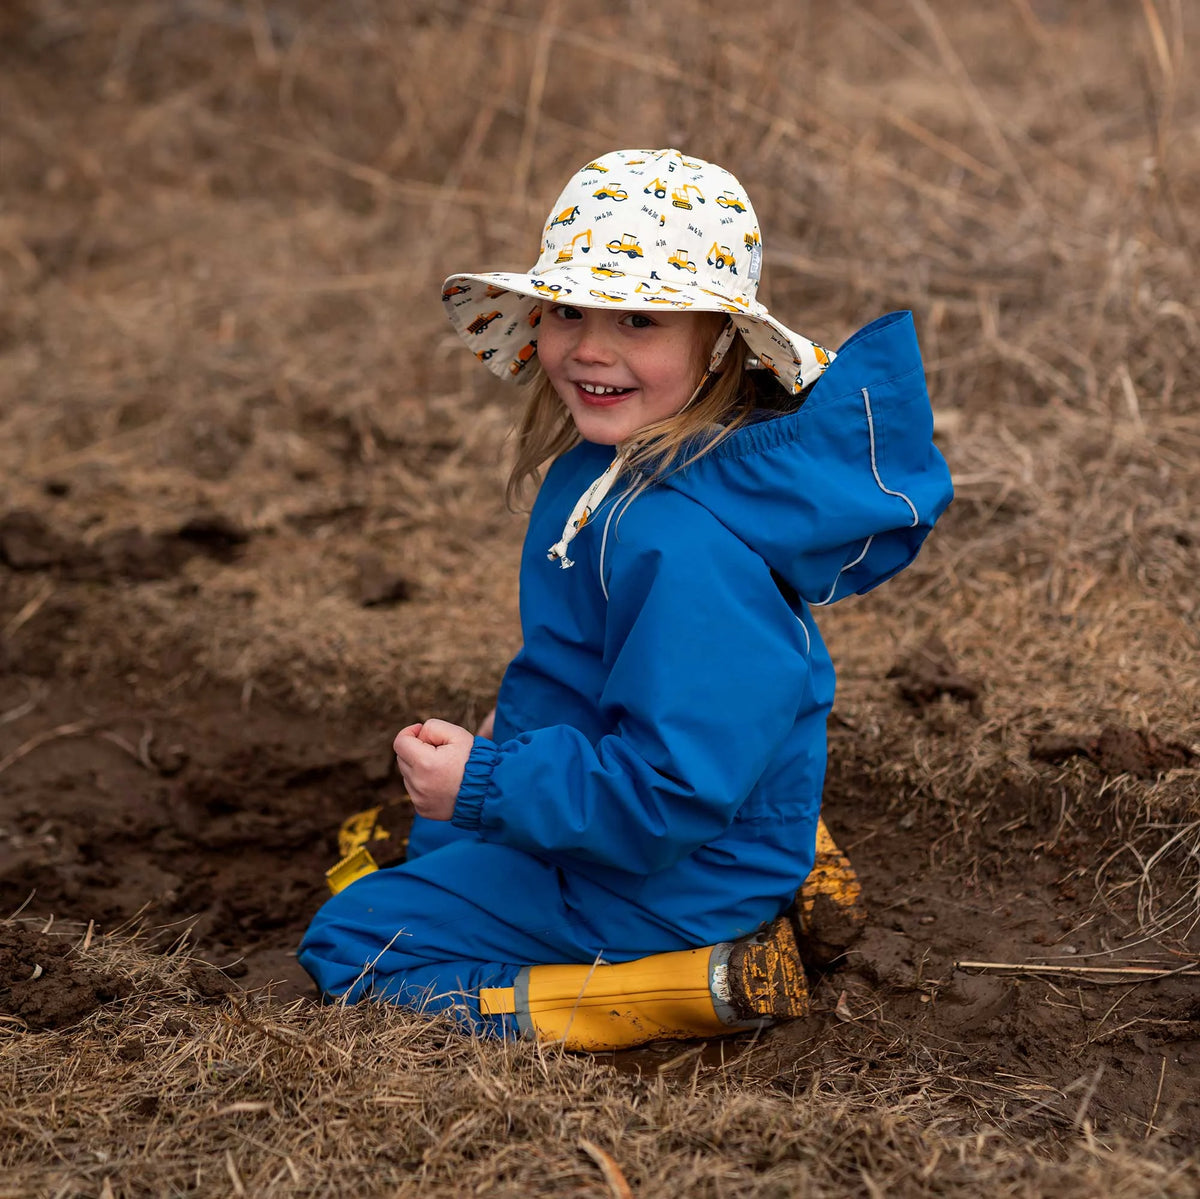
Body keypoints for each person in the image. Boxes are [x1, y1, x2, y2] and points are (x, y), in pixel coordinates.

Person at [299, 148, 953, 1049]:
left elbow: (672, 789)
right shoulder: (610, 464)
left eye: (640, 317)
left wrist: (487, 781)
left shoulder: (690, 547)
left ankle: (674, 984)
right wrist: (506, 743)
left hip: (664, 868)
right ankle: (784, 857)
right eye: (569, 309)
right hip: (642, 819)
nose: (591, 348)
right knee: (433, 837)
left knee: (354, 940)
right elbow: (607, 669)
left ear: (719, 340)